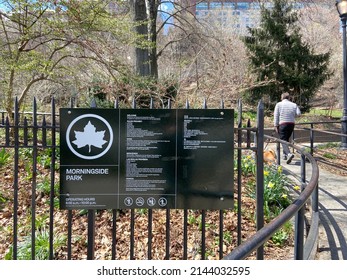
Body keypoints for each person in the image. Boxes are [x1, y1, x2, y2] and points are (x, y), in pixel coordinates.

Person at [274, 92, 301, 164]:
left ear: (282, 98)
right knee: (286, 140)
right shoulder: (294, 105)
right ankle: (284, 155)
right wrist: (292, 115)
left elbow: (276, 116)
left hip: (282, 124)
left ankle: (289, 154)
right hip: (291, 124)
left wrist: (275, 125)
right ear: (289, 98)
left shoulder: (279, 104)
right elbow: (298, 114)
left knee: (283, 140)